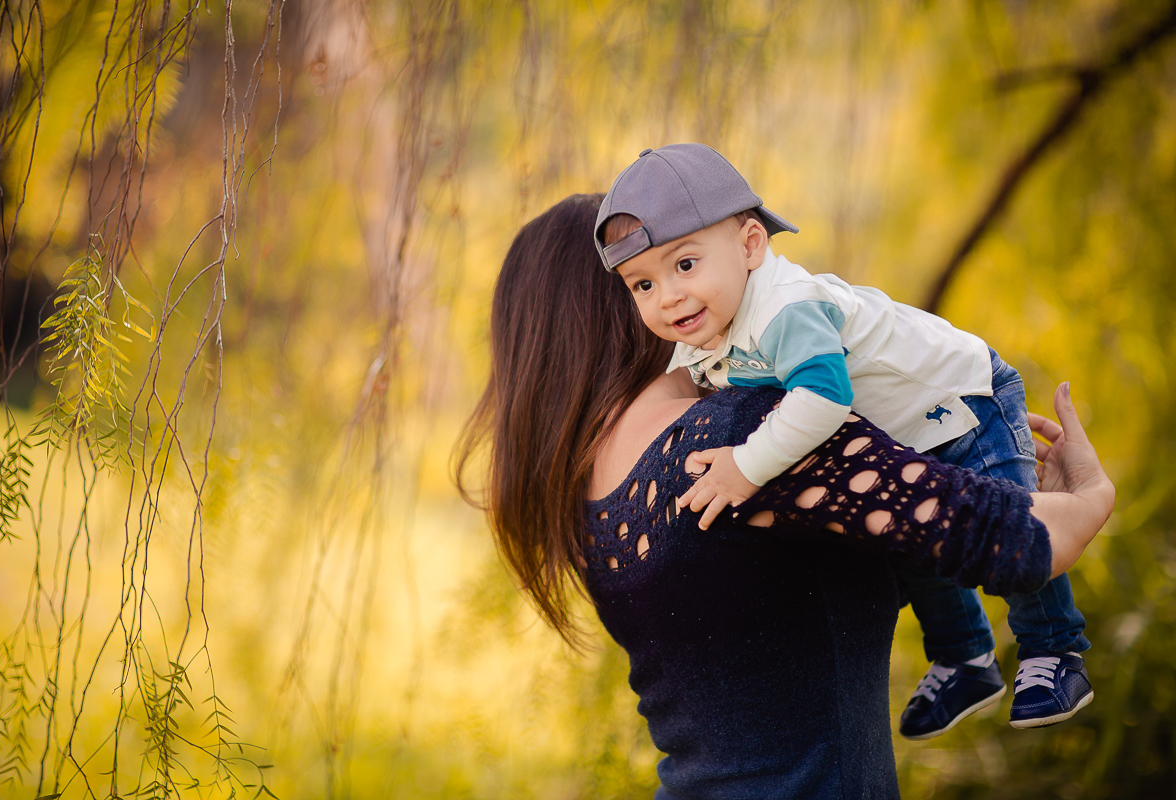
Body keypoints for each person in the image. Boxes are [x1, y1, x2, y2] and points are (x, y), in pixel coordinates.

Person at [455, 193, 1114, 799]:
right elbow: (1013, 543)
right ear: (623, 304)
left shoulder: (586, 495)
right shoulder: (750, 432)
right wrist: (1087, 491)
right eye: (649, 277)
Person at [593, 143, 1092, 737]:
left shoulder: (786, 309)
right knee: (915, 545)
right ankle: (965, 659)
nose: (667, 296)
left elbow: (824, 397)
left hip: (961, 399)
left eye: (683, 266)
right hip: (902, 430)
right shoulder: (705, 332)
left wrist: (747, 466)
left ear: (751, 245)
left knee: (1012, 522)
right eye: (641, 285)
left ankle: (1055, 653)